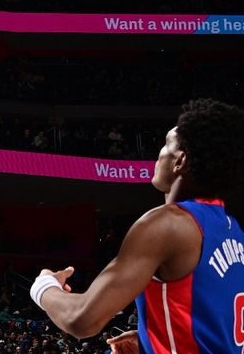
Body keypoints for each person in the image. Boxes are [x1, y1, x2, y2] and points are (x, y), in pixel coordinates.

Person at [28, 99, 244, 353]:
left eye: (166, 144)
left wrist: (45, 287)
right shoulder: (232, 230)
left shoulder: (167, 224)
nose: (159, 152)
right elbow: (217, 324)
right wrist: (151, 339)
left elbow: (81, 320)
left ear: (180, 161)